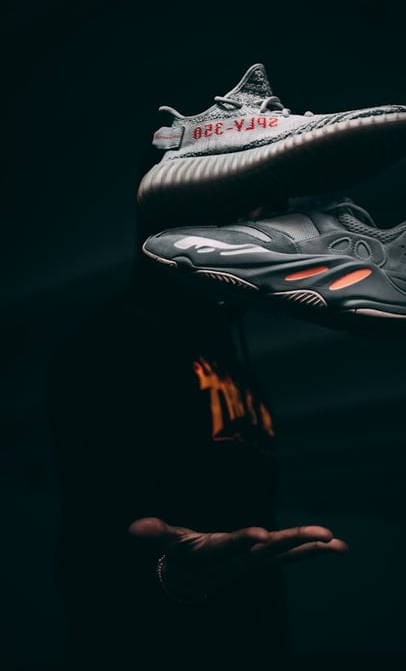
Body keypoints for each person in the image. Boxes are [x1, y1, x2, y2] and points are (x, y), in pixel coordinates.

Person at [47, 184, 349, 671]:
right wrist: (171, 576)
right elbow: (93, 539)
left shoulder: (235, 364)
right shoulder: (110, 345)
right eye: (250, 213)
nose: (266, 231)